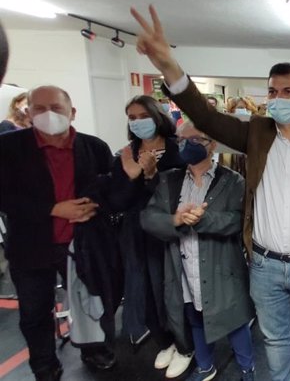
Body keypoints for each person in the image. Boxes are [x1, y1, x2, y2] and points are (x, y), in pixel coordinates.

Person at [131, 6, 290, 381]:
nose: (277, 98)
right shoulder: (256, 134)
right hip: (264, 265)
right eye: (272, 91)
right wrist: (168, 63)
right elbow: (205, 117)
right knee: (274, 339)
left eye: (287, 91)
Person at [0, 86, 117, 380]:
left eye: (55, 107)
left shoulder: (94, 147)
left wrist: (96, 207)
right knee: (35, 312)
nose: (48, 114)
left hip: (83, 245)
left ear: (72, 112)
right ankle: (44, 364)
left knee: (92, 302)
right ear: (28, 113)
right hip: (31, 246)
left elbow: (109, 189)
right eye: (39, 108)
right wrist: (52, 208)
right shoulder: (9, 148)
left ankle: (93, 349)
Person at [141, 121, 256, 381]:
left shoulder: (232, 181)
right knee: (194, 318)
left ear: (212, 145)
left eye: (195, 140)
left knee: (235, 322)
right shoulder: (169, 181)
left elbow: (239, 220)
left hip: (222, 268)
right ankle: (205, 366)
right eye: (182, 140)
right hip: (183, 267)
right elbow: (148, 218)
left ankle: (247, 369)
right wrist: (176, 221)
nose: (186, 145)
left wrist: (202, 220)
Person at [109, 95, 192, 378]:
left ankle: (184, 345)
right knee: (141, 288)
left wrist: (152, 176)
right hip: (134, 232)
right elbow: (117, 200)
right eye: (131, 117)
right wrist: (134, 176)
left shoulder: (177, 151)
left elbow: (179, 195)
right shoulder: (124, 154)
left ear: (157, 116)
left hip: (168, 230)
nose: (137, 122)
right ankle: (164, 341)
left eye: (142, 115)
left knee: (169, 290)